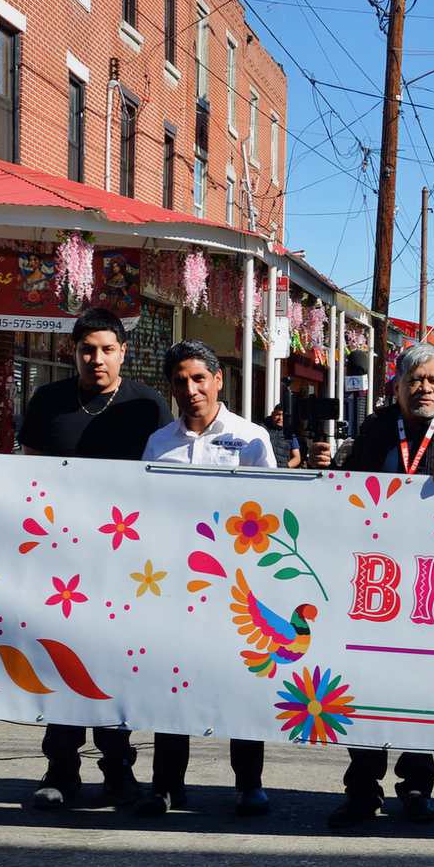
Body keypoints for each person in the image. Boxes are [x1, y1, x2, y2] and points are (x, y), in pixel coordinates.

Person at [306, 344, 434, 829]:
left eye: (433, 381)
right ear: (399, 387)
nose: (423, 389)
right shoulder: (376, 430)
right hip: (373, 583)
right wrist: (326, 468)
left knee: (421, 691)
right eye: (415, 381)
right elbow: (347, 490)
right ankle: (362, 790)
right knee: (363, 686)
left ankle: (416, 787)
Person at [19, 307, 172, 811]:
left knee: (110, 667)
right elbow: (22, 476)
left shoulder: (147, 405)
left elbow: (166, 482)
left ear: (123, 352)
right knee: (60, 660)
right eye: (88, 350)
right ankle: (61, 771)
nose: (97, 359)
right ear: (74, 353)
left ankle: (119, 774)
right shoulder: (48, 401)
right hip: (57, 560)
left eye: (107, 349)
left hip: (123, 563)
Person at [138, 340, 276, 818]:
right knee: (171, 682)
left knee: (241, 681)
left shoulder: (252, 438)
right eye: (181, 380)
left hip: (236, 585)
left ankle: (249, 783)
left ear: (219, 379)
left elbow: (273, 512)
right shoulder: (159, 443)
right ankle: (166, 784)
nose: (191, 389)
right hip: (175, 582)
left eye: (200, 378)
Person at [265, 403, 302, 468]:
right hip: (263, 470)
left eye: (283, 415)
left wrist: (285, 467)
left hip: (281, 472)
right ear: (272, 414)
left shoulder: (290, 433)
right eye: (278, 414)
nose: (280, 418)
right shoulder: (263, 430)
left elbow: (297, 458)